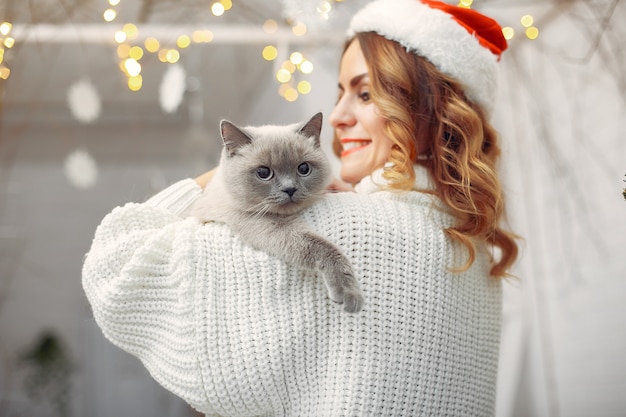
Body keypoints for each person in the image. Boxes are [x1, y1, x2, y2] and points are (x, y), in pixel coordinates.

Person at [82, 0, 519, 415]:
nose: (339, 115)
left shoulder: (328, 227)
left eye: (364, 94)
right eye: (341, 93)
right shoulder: (476, 249)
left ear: (428, 109)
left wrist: (211, 180)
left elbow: (113, 270)